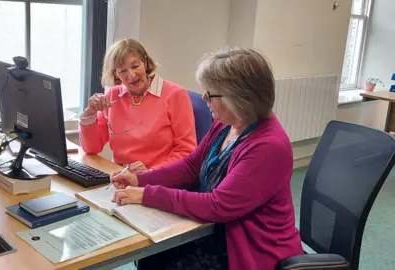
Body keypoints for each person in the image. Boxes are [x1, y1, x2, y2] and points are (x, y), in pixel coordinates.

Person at [110, 48, 304, 269]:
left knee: (159, 261)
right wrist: (142, 180)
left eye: (211, 93)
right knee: (151, 256)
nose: (203, 98)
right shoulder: (226, 123)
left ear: (239, 99)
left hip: (248, 248)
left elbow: (218, 205)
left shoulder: (268, 146)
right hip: (219, 230)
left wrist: (147, 195)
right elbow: (191, 166)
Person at [79, 39, 197, 173]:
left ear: (145, 63)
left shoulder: (175, 95)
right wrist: (90, 112)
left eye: (135, 66)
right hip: (121, 178)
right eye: (123, 71)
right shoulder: (113, 95)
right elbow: (91, 148)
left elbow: (187, 150)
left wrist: (151, 172)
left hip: (159, 179)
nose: (131, 75)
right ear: (115, 74)